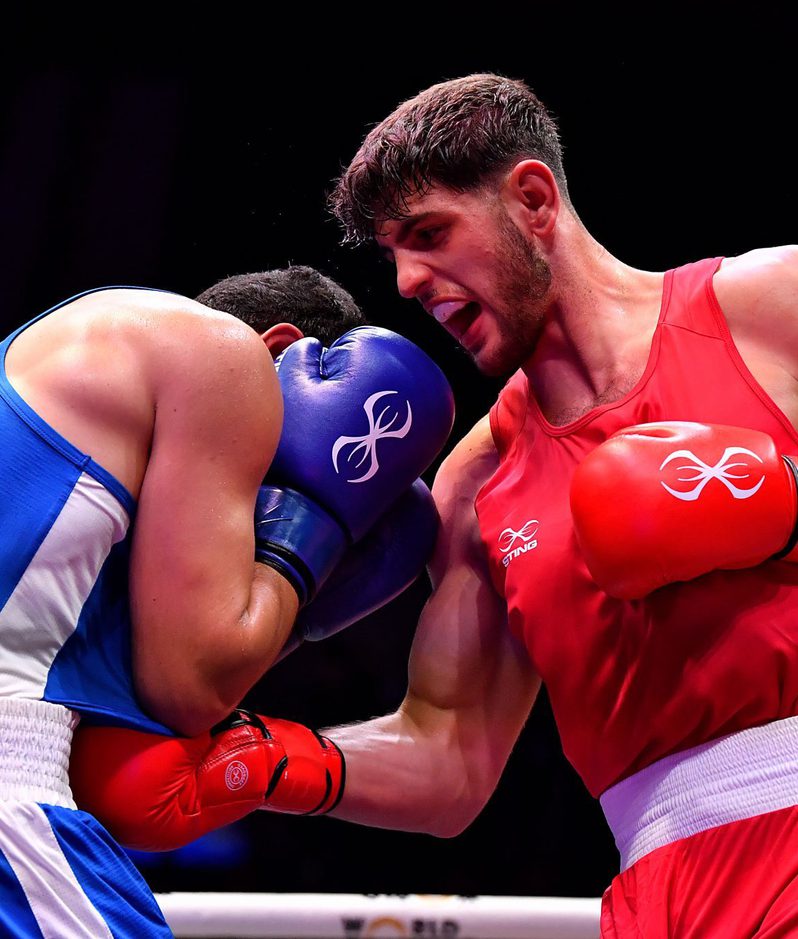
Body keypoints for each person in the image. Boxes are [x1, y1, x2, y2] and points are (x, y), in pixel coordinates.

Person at [68, 75, 798, 936]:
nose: (410, 281)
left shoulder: (765, 308)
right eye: (394, 254)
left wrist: (780, 495)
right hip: (663, 892)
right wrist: (260, 761)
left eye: (430, 234)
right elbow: (450, 758)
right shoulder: (474, 485)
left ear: (532, 199)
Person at [0, 266, 453, 937]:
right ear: (281, 350)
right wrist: (310, 521)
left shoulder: (58, 368)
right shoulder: (223, 354)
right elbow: (194, 685)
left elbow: (121, 773)